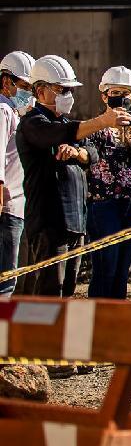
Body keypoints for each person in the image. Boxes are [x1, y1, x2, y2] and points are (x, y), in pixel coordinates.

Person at [17, 55, 131, 298]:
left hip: (74, 222)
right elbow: (58, 134)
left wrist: (78, 153)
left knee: (66, 291)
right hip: (50, 223)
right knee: (49, 293)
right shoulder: (33, 123)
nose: (67, 95)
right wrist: (103, 121)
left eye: (69, 90)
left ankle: (59, 335)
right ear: (40, 90)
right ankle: (42, 336)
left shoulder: (66, 122)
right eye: (62, 90)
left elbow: (92, 152)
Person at [82, 67, 131, 300]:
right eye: (115, 92)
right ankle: (97, 322)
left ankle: (115, 322)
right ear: (104, 96)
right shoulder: (95, 129)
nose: (121, 98)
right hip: (104, 205)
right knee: (105, 268)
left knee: (121, 269)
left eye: (126, 93)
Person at [0, 51, 34, 297]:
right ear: (6, 81)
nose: (29, 92)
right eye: (24, 86)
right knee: (6, 278)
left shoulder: (14, 113)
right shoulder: (3, 110)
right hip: (7, 206)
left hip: (16, 205)